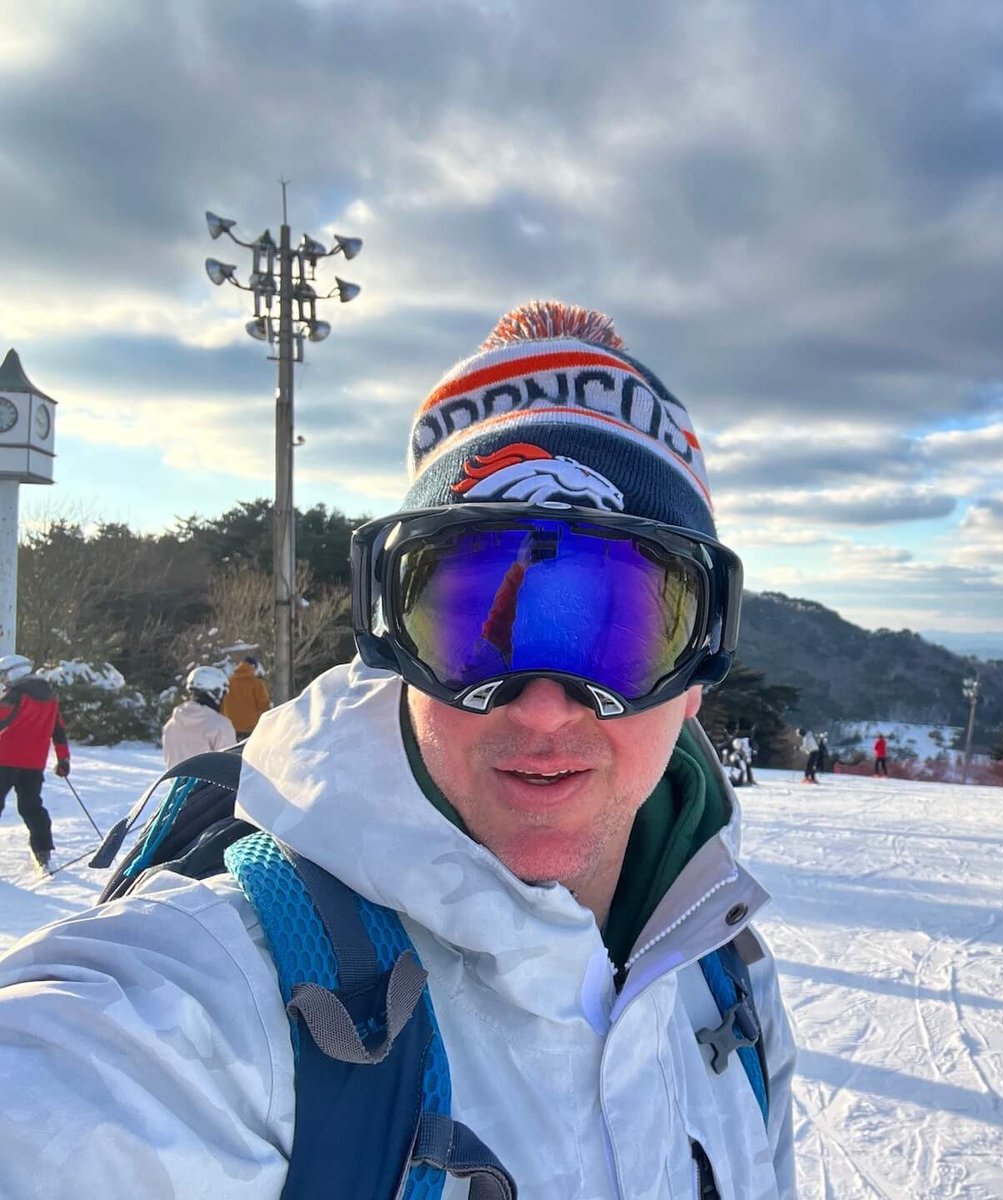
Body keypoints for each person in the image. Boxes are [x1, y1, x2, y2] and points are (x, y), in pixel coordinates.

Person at [0, 301, 797, 1198]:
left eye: (615, 633)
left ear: (696, 676)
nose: (540, 710)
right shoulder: (233, 998)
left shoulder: (726, 983)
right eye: (473, 626)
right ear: (394, 650)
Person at [0, 654, 71, 873]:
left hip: (5, 760)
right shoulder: (50, 697)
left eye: (3, 676)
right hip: (33, 764)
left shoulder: (15, 695)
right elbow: (58, 730)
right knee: (31, 807)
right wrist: (63, 759)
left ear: (13, 672)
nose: (2, 681)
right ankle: (43, 852)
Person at [160, 665, 238, 767]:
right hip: (208, 782)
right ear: (216, 693)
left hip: (176, 782)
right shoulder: (220, 725)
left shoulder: (171, 724)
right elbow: (230, 767)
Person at [220, 654, 272, 739]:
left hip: (230, 727)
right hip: (250, 727)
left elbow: (222, 704)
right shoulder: (256, 683)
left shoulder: (229, 682)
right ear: (253, 667)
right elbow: (264, 705)